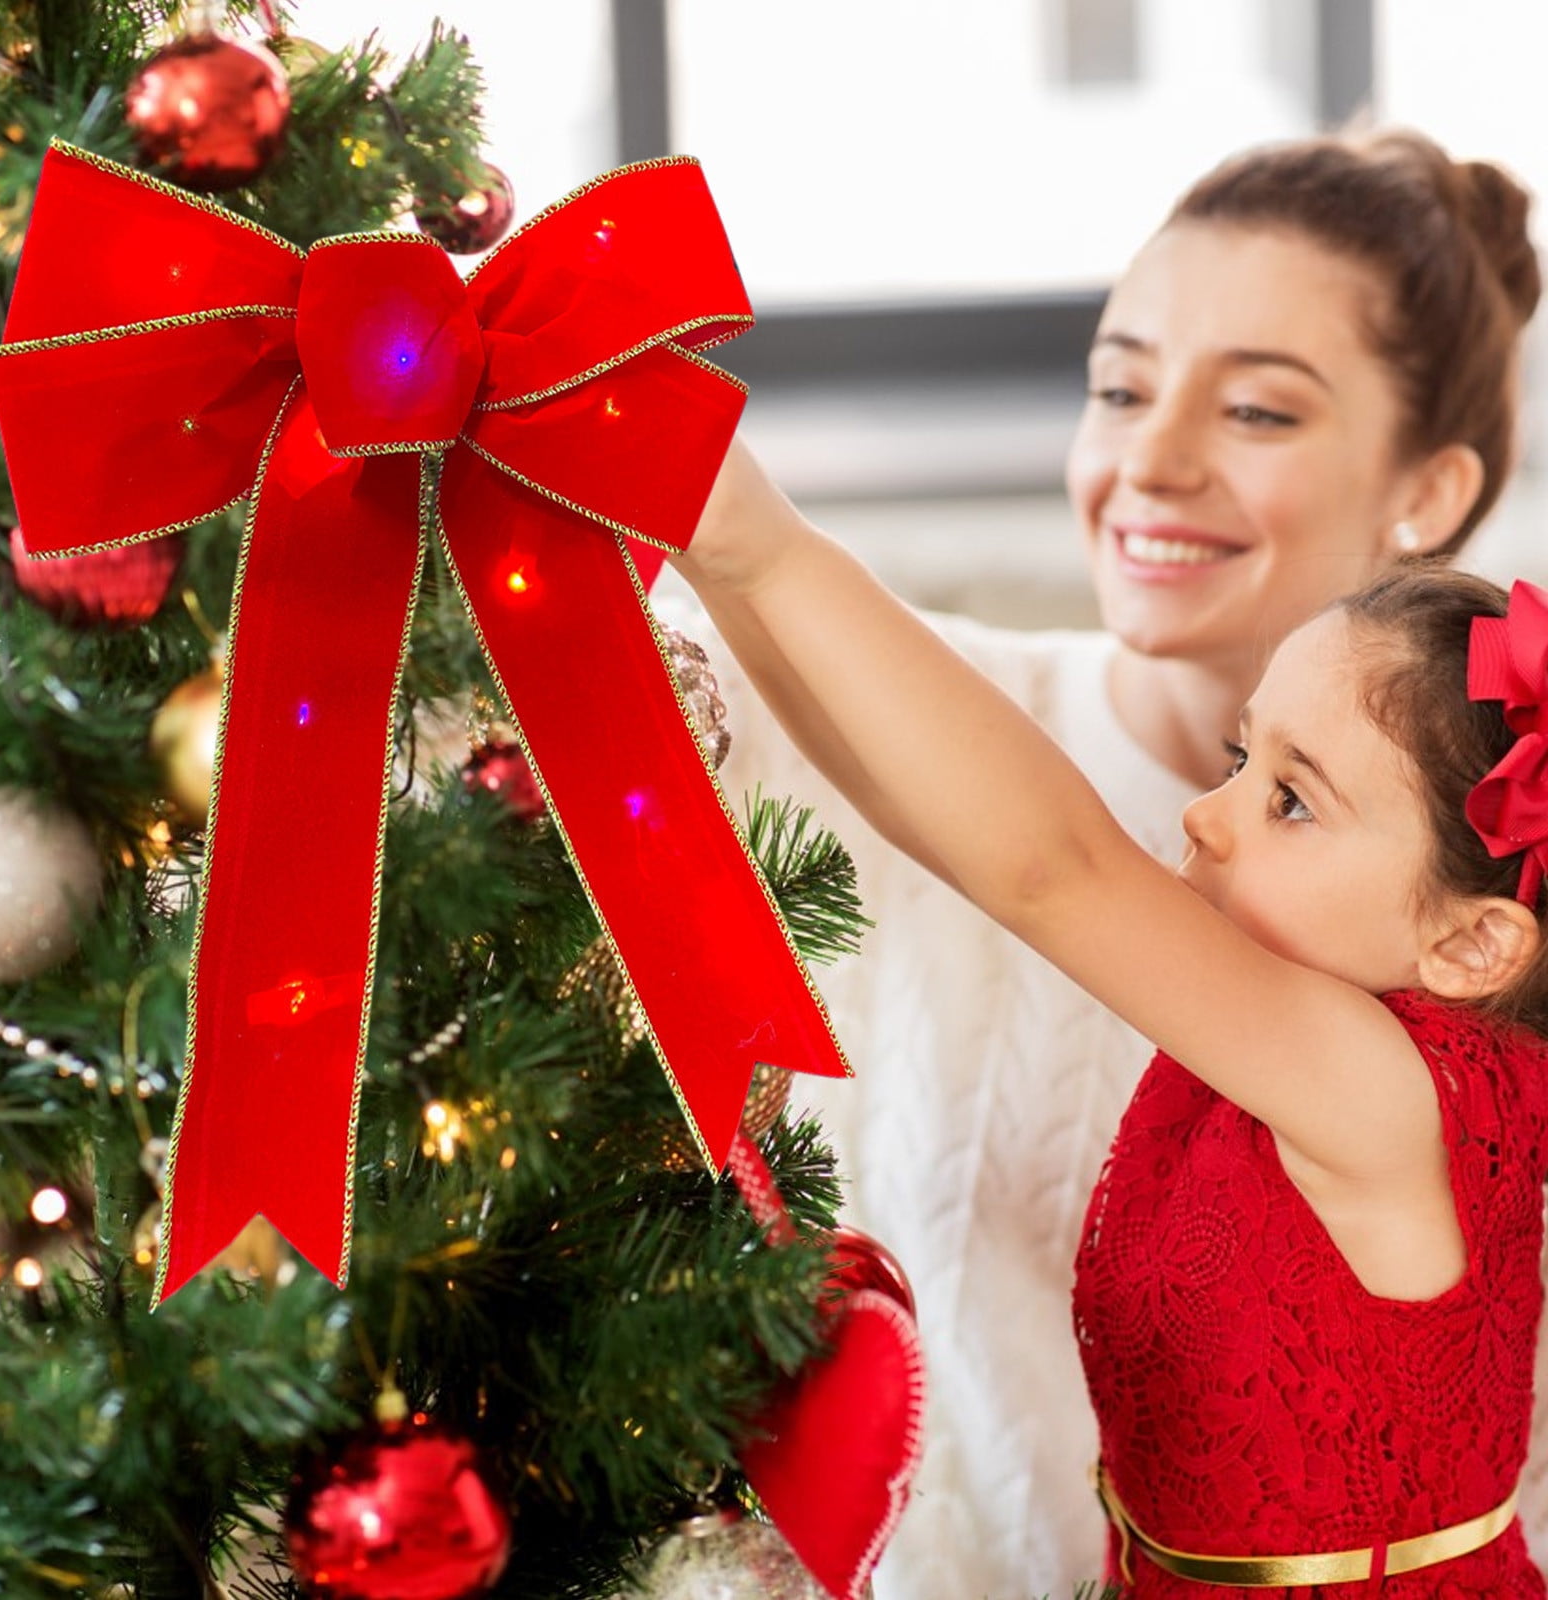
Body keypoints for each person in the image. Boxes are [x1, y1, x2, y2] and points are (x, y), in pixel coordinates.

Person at [656, 129, 1542, 1595]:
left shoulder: (1394, 1083)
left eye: (1258, 406)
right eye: (1119, 385)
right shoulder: (1330, 935)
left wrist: (751, 533)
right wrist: (720, 556)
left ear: (1469, 944)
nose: (1205, 813)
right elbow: (914, 788)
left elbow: (1050, 865)